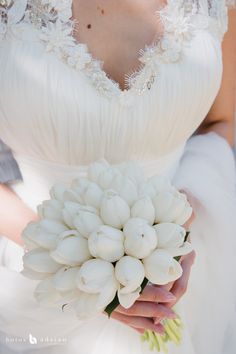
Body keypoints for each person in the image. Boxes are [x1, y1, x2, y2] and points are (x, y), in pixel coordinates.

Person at [0, 1, 235, 353]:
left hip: (175, 277)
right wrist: (77, 259)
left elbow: (220, 121)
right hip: (29, 275)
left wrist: (176, 223)